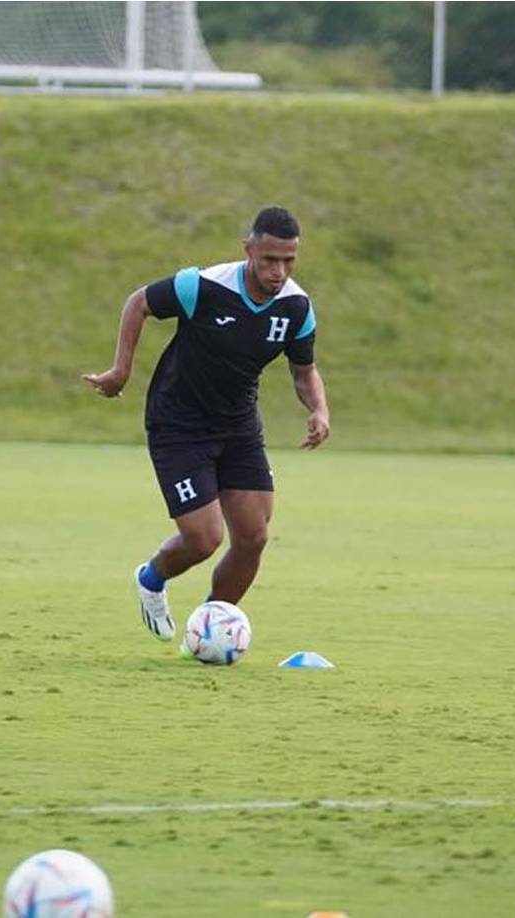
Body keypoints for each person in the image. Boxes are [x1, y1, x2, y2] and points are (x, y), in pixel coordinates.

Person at [82, 206, 331, 640]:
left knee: (253, 537)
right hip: (178, 423)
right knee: (203, 539)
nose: (278, 271)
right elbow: (138, 302)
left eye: (288, 260)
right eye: (269, 259)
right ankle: (151, 578)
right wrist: (121, 370)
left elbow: (303, 369)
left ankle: (212, 628)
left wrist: (319, 409)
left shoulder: (296, 306)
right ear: (248, 249)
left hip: (238, 427)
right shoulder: (203, 285)